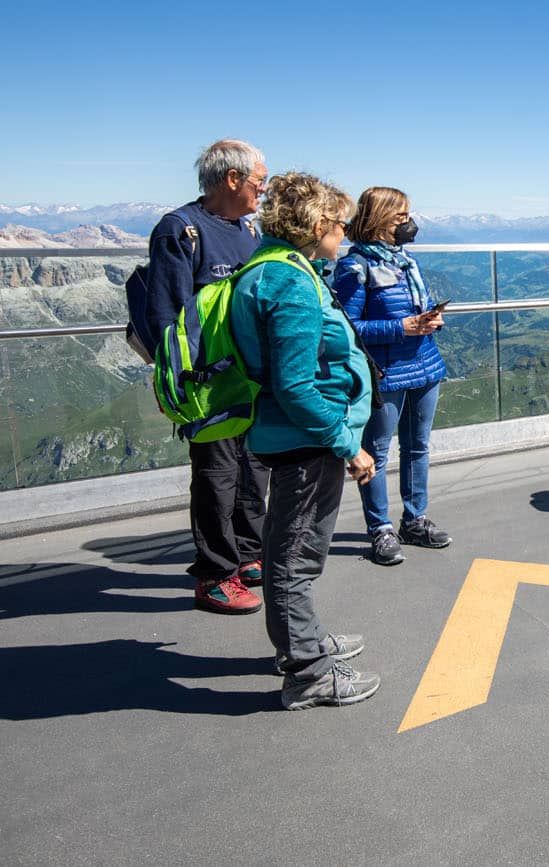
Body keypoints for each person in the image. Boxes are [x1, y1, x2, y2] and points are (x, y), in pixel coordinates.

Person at [230, 172, 380, 710]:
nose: (343, 235)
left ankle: (306, 641)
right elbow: (295, 385)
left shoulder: (274, 267)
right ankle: (307, 673)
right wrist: (347, 443)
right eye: (340, 225)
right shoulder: (289, 282)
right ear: (317, 224)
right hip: (305, 439)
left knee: (292, 549)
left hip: (292, 436)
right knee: (294, 555)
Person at [145, 139, 269, 615]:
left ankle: (248, 553)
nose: (264, 189)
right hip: (206, 383)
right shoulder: (180, 230)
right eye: (260, 180)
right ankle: (216, 575)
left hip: (246, 378)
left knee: (252, 468)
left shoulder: (247, 228)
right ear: (232, 179)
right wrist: (172, 383)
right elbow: (166, 316)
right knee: (216, 475)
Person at [333, 187, 451, 567]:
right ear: (379, 219)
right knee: (378, 454)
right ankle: (380, 529)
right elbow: (349, 326)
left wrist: (429, 322)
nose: (408, 224)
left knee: (418, 448)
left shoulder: (405, 262)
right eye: (401, 217)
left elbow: (411, 312)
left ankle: (414, 519)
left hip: (424, 365)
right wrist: (403, 327)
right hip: (386, 374)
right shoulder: (356, 267)